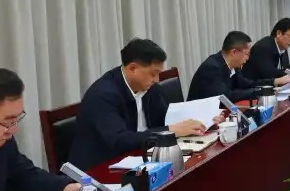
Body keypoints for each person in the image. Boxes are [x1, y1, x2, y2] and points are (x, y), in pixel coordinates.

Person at [71, 39, 205, 169]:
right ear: (133, 68)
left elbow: (165, 119)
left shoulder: (149, 88)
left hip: (142, 157)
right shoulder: (103, 95)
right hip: (100, 169)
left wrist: (192, 125)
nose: (157, 80)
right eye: (153, 74)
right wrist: (170, 131)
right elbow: (120, 140)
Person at [190, 31, 290, 102]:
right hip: (198, 117)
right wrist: (258, 92)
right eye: (247, 54)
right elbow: (226, 97)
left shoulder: (234, 66)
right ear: (234, 52)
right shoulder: (212, 68)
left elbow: (247, 84)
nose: (248, 58)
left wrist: (273, 82)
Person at [242, 18, 290, 83]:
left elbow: (286, 71)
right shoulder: (263, 47)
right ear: (279, 33)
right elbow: (269, 74)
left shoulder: (283, 47)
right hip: (253, 85)